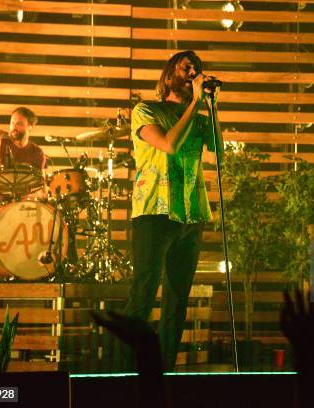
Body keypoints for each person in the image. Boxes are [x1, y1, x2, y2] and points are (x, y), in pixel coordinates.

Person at [126, 50, 222, 371]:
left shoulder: (198, 115)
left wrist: (211, 106)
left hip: (191, 215)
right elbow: (168, 144)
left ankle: (161, 371)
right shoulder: (145, 110)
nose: (193, 72)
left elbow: (219, 153)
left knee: (178, 298)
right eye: (186, 67)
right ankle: (124, 370)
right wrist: (195, 104)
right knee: (145, 288)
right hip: (155, 212)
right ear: (168, 76)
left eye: (196, 69)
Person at [0, 106, 47, 200]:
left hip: (21, 205)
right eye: (12, 123)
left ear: (30, 126)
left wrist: (45, 199)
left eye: (19, 124)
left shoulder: (37, 152)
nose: (13, 127)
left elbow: (41, 184)